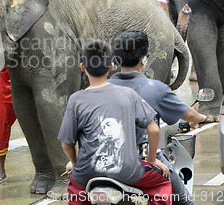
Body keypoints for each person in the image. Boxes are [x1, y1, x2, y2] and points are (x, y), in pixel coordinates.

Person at [58, 40, 171, 205]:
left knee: (76, 195)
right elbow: (153, 130)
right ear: (111, 66)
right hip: (127, 172)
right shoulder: (128, 94)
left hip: (87, 174)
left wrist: (76, 164)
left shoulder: (75, 100)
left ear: (82, 67)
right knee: (162, 184)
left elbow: (66, 144)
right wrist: (151, 159)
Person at [110, 30, 208, 205]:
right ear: (144, 59)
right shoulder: (155, 88)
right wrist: (201, 117)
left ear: (116, 60)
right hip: (143, 165)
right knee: (185, 202)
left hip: (104, 163)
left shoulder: (100, 89)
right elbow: (188, 113)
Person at [0, 68, 17, 184]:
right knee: (1, 132)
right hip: (5, 93)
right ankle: (1, 169)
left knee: (37, 129)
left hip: (25, 92)